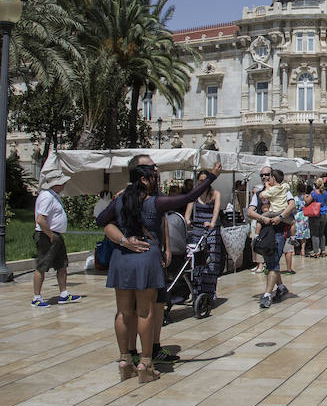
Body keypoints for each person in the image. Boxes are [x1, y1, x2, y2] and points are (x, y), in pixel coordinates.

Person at [102, 157, 221, 382]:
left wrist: (124, 238)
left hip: (121, 259)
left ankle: (124, 360)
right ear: (144, 180)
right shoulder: (153, 202)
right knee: (145, 312)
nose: (157, 179)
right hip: (145, 258)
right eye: (153, 176)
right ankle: (146, 365)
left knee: (122, 312)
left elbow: (101, 219)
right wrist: (212, 177)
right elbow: (188, 197)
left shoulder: (120, 200)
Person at [246, 166, 297, 308]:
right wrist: (262, 218)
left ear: (272, 176)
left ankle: (267, 295)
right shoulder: (259, 193)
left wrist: (280, 217)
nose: (264, 177)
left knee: (273, 262)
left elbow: (292, 205)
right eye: (261, 175)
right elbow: (250, 212)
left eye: (267, 174)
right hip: (265, 232)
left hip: (279, 232)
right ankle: (280, 287)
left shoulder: (282, 189)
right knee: (270, 263)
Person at [31, 169, 81, 308]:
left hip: (55, 235)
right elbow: (41, 219)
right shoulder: (47, 197)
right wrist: (51, 235)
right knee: (42, 265)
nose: (64, 184)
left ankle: (64, 294)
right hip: (47, 235)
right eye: (62, 182)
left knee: (62, 264)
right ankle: (37, 297)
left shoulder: (54, 196)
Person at [184, 169, 226, 290]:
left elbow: (216, 211)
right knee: (197, 259)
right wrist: (187, 220)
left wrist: (212, 223)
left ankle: (210, 290)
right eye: (201, 180)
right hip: (197, 229)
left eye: (205, 180)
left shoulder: (215, 194)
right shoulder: (194, 194)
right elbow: (188, 212)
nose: (203, 183)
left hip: (211, 231)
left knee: (212, 259)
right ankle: (198, 288)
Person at [307, 178, 327, 258]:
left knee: (315, 234)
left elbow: (307, 201)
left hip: (316, 214)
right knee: (322, 233)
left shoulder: (314, 193)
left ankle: (316, 251)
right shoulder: (325, 192)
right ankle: (323, 250)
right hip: (324, 214)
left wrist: (306, 196)